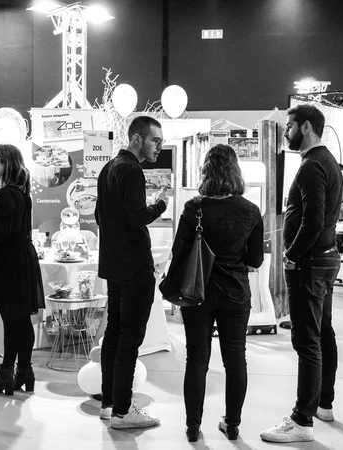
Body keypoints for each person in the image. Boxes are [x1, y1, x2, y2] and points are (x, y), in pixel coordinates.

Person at [260, 104, 342, 443]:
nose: (285, 134)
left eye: (289, 127)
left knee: (306, 340)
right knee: (322, 333)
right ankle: (323, 403)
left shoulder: (312, 166)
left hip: (309, 263)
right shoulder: (328, 163)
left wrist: (292, 256)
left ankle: (301, 420)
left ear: (306, 127)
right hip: (323, 259)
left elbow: (313, 220)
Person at [172, 144, 263, 442]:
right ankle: (232, 424)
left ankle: (192, 427)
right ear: (236, 170)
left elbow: (179, 252)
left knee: (196, 360)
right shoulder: (250, 211)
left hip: (197, 293)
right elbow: (255, 261)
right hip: (236, 293)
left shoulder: (193, 207)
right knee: (235, 359)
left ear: (205, 170)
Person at [95, 115, 168, 429]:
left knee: (114, 333)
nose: (159, 148)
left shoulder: (108, 168)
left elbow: (101, 217)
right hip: (135, 266)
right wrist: (160, 206)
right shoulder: (132, 170)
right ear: (137, 139)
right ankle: (124, 412)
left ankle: (110, 403)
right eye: (156, 141)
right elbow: (138, 217)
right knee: (129, 338)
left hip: (113, 264)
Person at [0, 144, 45, 394]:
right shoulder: (20, 193)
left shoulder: (6, 195)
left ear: (6, 163)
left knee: (13, 322)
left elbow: (1, 234)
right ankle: (23, 371)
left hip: (9, 263)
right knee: (19, 321)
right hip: (19, 260)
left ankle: (8, 373)